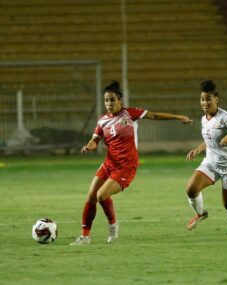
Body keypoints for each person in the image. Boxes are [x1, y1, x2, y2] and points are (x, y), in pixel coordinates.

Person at [70, 81, 192, 245]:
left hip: (126, 166)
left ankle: (113, 225)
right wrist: (89, 146)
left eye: (112, 100)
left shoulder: (130, 114)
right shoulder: (102, 121)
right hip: (109, 163)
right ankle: (85, 237)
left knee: (101, 195)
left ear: (120, 100)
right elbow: (94, 140)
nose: (109, 103)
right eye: (106, 100)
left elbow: (154, 115)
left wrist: (178, 117)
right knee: (91, 196)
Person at [185, 80, 227, 234]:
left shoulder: (225, 117)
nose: (205, 102)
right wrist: (199, 149)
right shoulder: (203, 119)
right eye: (202, 99)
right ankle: (200, 213)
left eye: (208, 99)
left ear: (216, 100)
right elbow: (209, 139)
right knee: (191, 189)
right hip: (211, 163)